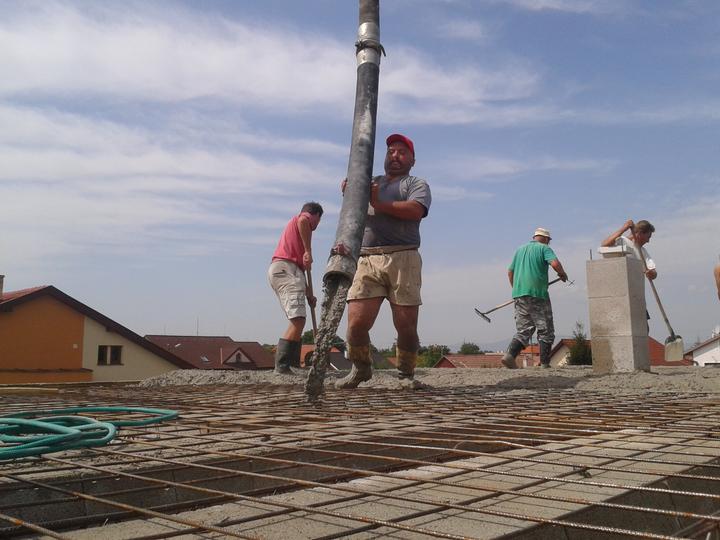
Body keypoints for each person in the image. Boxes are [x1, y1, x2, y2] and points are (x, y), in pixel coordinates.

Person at [336, 133, 431, 389]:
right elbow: (352, 215)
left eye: (402, 152)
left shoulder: (416, 184)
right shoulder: (370, 183)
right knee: (356, 324)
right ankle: (361, 368)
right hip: (367, 257)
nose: (395, 156)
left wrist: (377, 202)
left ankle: (406, 374)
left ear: (412, 160)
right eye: (391, 152)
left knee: (406, 325)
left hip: (403, 256)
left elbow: (415, 211)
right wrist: (351, 192)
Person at [268, 202, 323, 373]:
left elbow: (300, 274)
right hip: (286, 269)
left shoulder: (298, 235)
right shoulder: (304, 220)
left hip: (290, 271)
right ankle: (282, 365)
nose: (316, 225)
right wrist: (308, 251)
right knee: (298, 320)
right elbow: (303, 221)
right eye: (318, 220)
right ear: (316, 215)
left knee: (299, 320)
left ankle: (292, 363)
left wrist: (309, 294)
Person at [502, 228, 568, 369]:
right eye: (549, 241)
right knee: (546, 329)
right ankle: (544, 363)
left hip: (519, 294)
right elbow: (555, 264)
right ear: (546, 239)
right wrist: (562, 274)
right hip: (537, 294)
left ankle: (510, 355)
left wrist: (517, 289)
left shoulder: (520, 250)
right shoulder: (544, 248)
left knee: (524, 329)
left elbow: (510, 272)